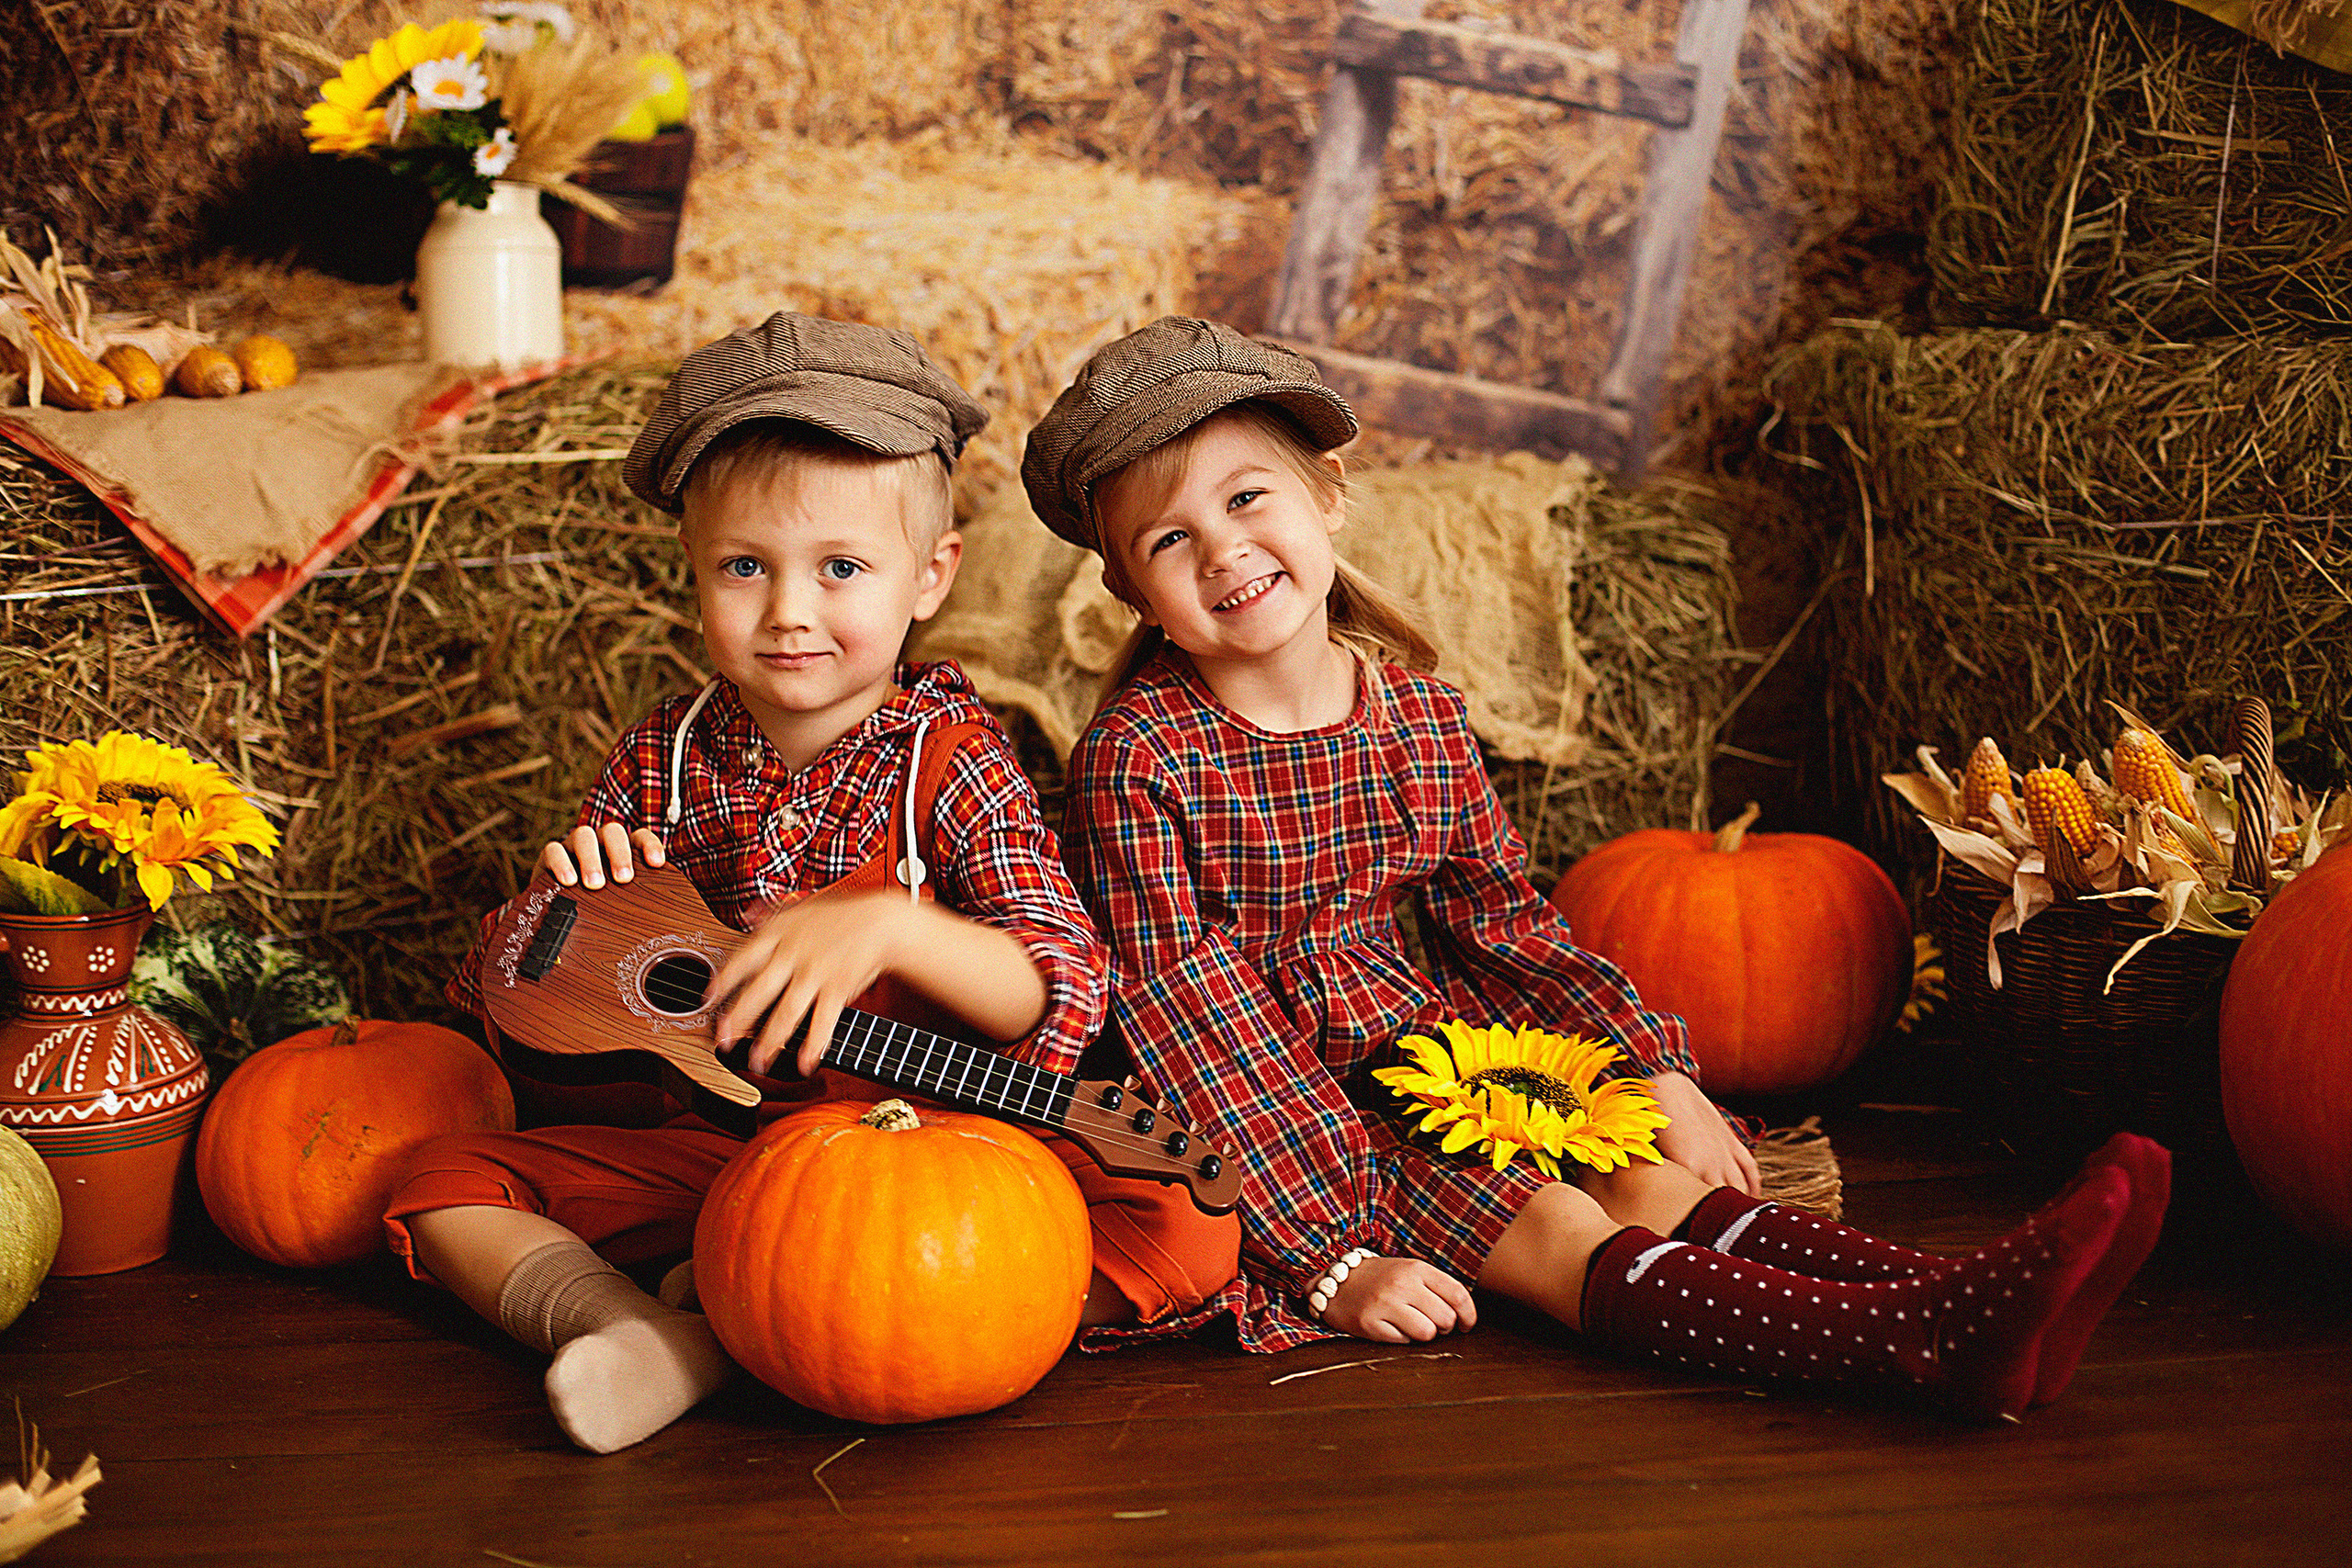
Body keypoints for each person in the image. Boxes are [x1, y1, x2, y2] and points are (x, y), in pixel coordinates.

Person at [1027, 317, 2167, 1421]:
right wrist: (1332, 1260)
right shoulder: (1141, 759)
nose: (1222, 548)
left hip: (1434, 1055)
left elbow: (1504, 924)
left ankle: (1947, 1297)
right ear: (1133, 595)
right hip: (1284, 1120)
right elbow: (1188, 1015)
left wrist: (1647, 1068)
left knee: (1648, 1178)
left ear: (1327, 497)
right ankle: (1912, 1344)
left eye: (1245, 498)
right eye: (1168, 541)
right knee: (1558, 1229)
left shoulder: (1415, 716)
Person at [385, 313, 1239, 1454]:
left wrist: (892, 927)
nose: (789, 609)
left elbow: (1062, 988)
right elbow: (523, 1011)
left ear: (930, 577)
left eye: (840, 569)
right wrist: (552, 933)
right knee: (441, 1179)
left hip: (936, 1164)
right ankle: (642, 1333)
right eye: (745, 567)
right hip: (729, 1155)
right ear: (693, 575)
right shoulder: (665, 756)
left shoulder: (952, 753)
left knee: (1183, 1225)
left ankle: (797, 1323)